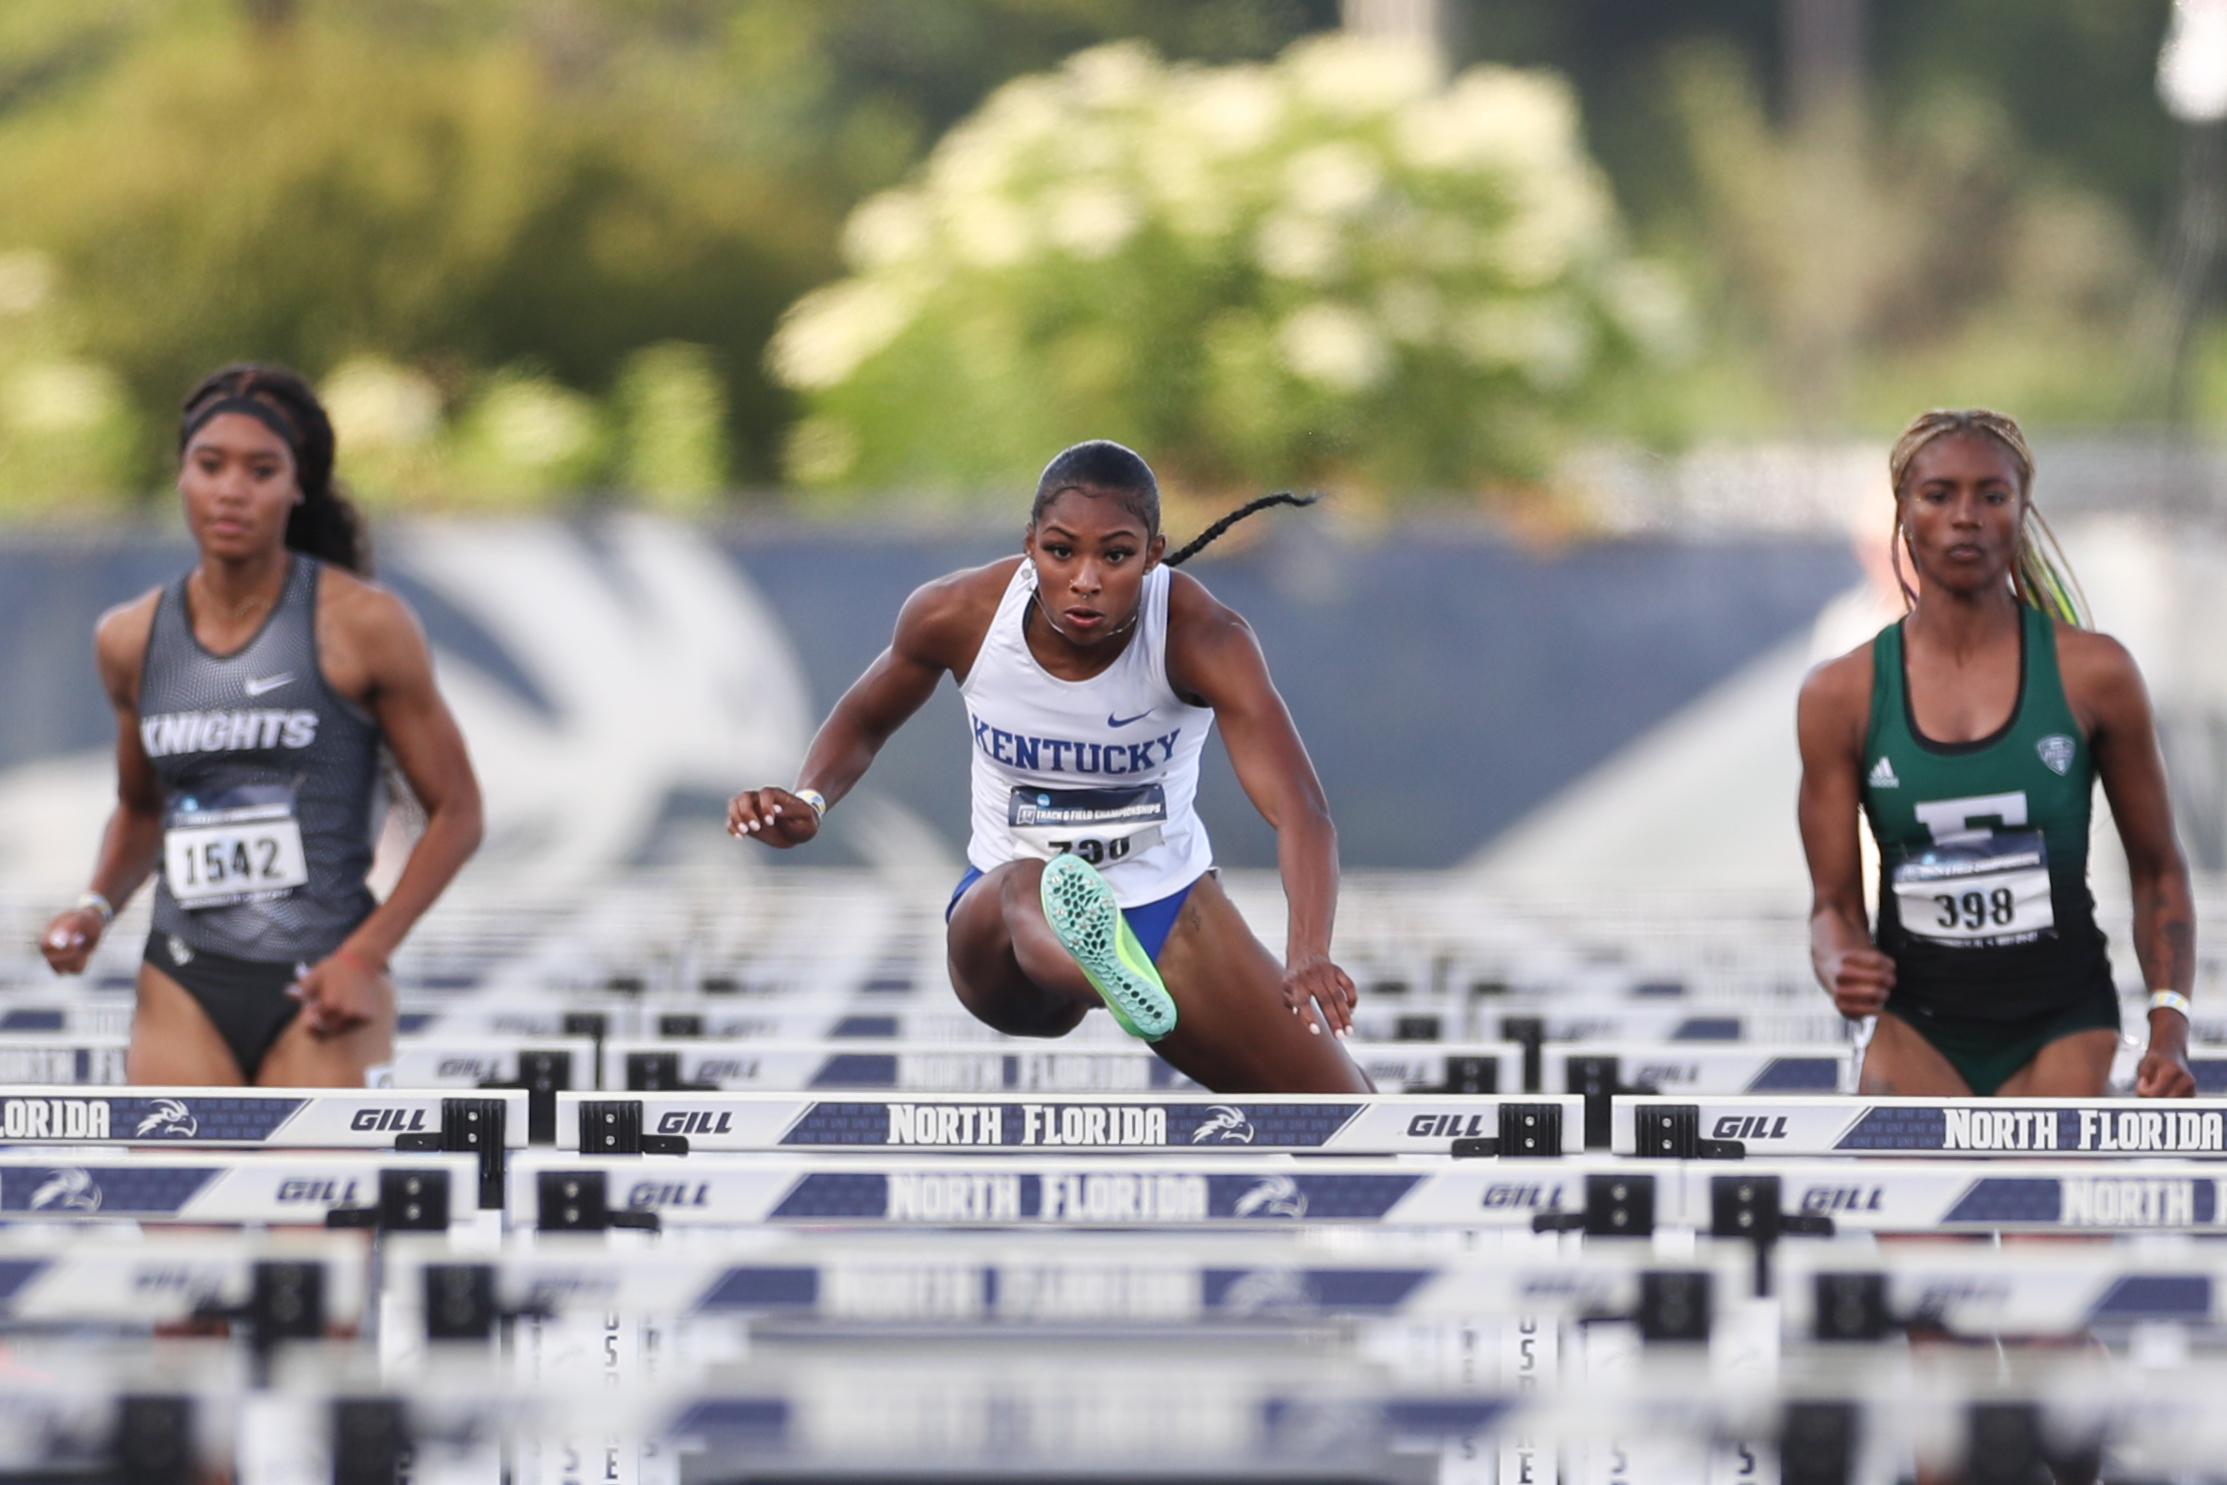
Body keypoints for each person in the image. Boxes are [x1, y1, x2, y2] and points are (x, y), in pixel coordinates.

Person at [728, 440, 1370, 1093]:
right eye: (1062, 551)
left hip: (1164, 903)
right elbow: (865, 719)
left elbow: (1299, 808)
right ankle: (1098, 965)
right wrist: (809, 799)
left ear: (1152, 555)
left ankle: (1119, 965)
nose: (1085, 579)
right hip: (1005, 929)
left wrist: (1308, 949)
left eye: (1115, 555)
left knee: (1352, 1119)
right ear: (1030, 544)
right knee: (1028, 881)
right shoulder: (959, 613)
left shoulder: (1203, 636)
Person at [38, 365, 483, 1087]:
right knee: (175, 1201)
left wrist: (364, 957)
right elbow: (142, 809)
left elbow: (457, 810)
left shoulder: (363, 624)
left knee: (308, 1203)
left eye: (260, 468)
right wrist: (94, 907)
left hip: (323, 979)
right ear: (180, 475)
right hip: (181, 981)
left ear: (295, 483)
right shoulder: (129, 638)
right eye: (210, 464)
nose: (231, 488)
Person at [1798, 409, 2193, 1098]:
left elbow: (2157, 870)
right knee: (1904, 1206)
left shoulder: (2093, 673)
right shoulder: (1841, 692)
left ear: (2021, 511)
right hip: (1914, 1028)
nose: (1964, 517)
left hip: (2060, 1025)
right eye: (1937, 494)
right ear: (1902, 514)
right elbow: (1831, 903)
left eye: (1991, 495)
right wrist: (1840, 961)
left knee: (2029, 1203)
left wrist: (2167, 1031)